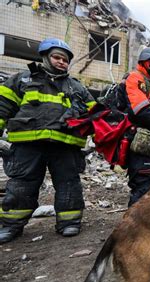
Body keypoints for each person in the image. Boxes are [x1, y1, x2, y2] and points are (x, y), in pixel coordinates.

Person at [0, 38, 96, 243]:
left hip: (65, 146)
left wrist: (101, 139)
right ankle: (11, 226)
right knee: (21, 186)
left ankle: (69, 222)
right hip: (27, 145)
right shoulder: (22, 80)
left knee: (69, 184)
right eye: (56, 57)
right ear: (44, 57)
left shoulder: (76, 87)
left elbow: (94, 115)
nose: (61, 62)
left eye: (65, 59)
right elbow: (3, 106)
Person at [118, 47, 150, 207]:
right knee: (142, 187)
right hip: (136, 142)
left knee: (144, 183)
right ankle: (134, 228)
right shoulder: (135, 78)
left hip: (145, 143)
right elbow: (139, 111)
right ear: (147, 62)